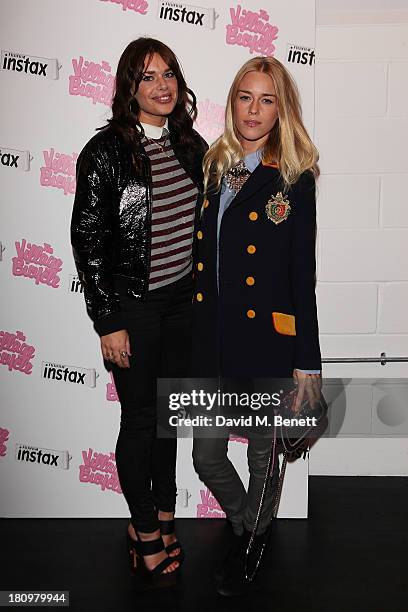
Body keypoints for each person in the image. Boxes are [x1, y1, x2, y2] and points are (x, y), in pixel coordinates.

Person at [71, 37, 207, 586]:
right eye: (148, 76)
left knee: (168, 419)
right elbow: (88, 240)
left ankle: (164, 519)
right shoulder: (104, 153)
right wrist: (108, 320)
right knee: (141, 421)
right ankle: (145, 532)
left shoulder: (191, 145)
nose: (163, 85)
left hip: (181, 305)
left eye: (169, 73)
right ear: (130, 87)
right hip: (134, 306)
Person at [191, 56, 322, 596]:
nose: (254, 109)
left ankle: (251, 544)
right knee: (206, 455)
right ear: (232, 102)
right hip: (212, 341)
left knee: (263, 457)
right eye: (246, 96)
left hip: (269, 342)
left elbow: (301, 277)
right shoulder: (215, 165)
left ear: (281, 108)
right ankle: (250, 524)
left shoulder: (294, 178)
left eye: (267, 99)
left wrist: (306, 363)